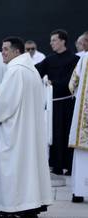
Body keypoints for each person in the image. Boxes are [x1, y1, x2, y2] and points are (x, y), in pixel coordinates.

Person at [0, 37, 52, 218]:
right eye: (2, 49)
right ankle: (29, 205)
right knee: (27, 167)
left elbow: (5, 104)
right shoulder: (30, 69)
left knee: (14, 167)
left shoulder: (15, 71)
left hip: (15, 130)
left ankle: (15, 207)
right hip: (28, 128)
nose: (3, 53)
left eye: (6, 49)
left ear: (17, 52)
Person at [36, 29, 80, 175]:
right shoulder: (49, 59)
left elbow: (71, 81)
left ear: (63, 41)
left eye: (54, 40)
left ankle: (69, 165)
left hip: (68, 103)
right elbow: (36, 72)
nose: (51, 43)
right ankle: (57, 165)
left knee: (67, 133)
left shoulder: (75, 59)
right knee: (55, 133)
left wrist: (52, 82)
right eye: (51, 40)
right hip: (53, 103)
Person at [68, 52, 88, 203]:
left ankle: (79, 191)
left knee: (82, 155)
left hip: (84, 119)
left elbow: (72, 84)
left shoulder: (85, 58)